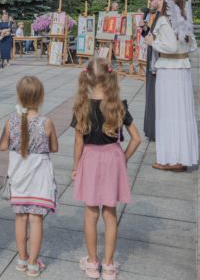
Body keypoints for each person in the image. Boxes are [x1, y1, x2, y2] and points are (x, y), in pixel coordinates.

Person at [71, 57, 141, 280]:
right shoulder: (118, 105)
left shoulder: (82, 107)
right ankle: (109, 265)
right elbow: (136, 139)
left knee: (91, 212)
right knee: (110, 213)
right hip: (113, 158)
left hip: (90, 159)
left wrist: (75, 167)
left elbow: (78, 142)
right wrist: (124, 158)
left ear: (87, 79)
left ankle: (92, 263)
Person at [0, 76, 57, 277]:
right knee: (36, 220)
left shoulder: (11, 121)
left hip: (19, 179)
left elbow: (3, 145)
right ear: (41, 97)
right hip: (39, 180)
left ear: (19, 96)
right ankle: (33, 263)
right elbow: (54, 147)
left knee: (20, 219)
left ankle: (22, 259)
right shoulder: (46, 122)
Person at [145, 0, 199, 172]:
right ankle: (183, 157)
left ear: (167, 2)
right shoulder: (183, 19)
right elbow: (193, 45)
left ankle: (170, 158)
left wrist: (152, 42)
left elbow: (170, 45)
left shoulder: (163, 20)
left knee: (167, 112)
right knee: (181, 112)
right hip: (182, 68)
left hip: (169, 69)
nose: (157, 2)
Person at [142, 0, 162, 142]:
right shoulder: (157, 17)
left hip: (157, 61)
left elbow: (161, 41)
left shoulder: (163, 18)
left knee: (155, 97)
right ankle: (150, 129)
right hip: (152, 58)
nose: (150, 2)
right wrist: (144, 29)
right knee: (150, 95)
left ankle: (155, 130)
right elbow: (152, 36)